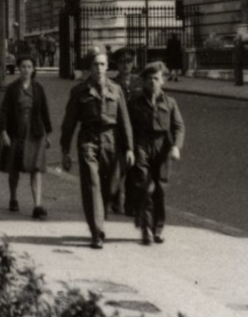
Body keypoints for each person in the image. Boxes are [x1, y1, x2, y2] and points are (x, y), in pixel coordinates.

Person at [60, 47, 135, 249]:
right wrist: (65, 151)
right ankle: (97, 232)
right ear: (90, 67)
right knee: (92, 186)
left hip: (111, 141)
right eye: (95, 64)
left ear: (107, 66)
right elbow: (69, 123)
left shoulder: (115, 89)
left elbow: (124, 120)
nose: (99, 68)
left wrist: (129, 148)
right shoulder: (79, 91)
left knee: (109, 187)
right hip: (89, 140)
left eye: (102, 64)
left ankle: (101, 215)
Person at [128, 61, 185, 246]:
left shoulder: (170, 102)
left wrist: (176, 146)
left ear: (163, 81)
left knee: (159, 189)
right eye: (149, 78)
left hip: (162, 148)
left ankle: (158, 228)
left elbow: (178, 127)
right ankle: (145, 229)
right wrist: (129, 148)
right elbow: (127, 126)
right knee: (145, 187)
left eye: (156, 78)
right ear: (143, 81)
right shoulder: (134, 101)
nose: (152, 82)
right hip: (142, 146)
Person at [0, 53, 52, 219]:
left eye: (29, 67)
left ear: (34, 69)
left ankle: (37, 205)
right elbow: (4, 112)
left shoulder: (38, 88)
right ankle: (13, 197)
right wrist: (4, 132)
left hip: (35, 133)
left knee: (36, 168)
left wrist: (47, 134)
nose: (26, 70)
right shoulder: (12, 89)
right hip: (16, 132)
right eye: (23, 67)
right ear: (18, 69)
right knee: (14, 167)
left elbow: (44, 111)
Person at [111, 46, 143, 215]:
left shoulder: (140, 82)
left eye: (129, 61)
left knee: (135, 167)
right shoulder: (112, 84)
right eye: (122, 62)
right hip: (118, 131)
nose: (126, 65)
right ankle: (116, 199)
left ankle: (131, 204)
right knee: (118, 168)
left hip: (137, 131)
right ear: (116, 64)